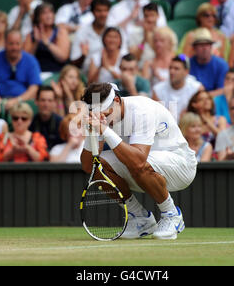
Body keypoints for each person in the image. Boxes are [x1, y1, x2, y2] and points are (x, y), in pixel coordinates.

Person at [80, 83, 197, 240]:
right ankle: (140, 219)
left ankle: (171, 215)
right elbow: (88, 166)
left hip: (181, 166)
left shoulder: (142, 110)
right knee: (98, 167)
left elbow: (138, 161)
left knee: (137, 163)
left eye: (106, 114)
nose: (104, 119)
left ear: (116, 100)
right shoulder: (102, 116)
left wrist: (105, 130)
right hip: (143, 167)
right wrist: (92, 133)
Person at [0, 29, 42, 110]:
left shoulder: (31, 61)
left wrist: (17, 101)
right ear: (5, 44)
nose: (14, 47)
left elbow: (34, 88)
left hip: (23, 102)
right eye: (11, 44)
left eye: (17, 44)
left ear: (22, 44)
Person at [23, 2, 70, 76]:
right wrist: (36, 42)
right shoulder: (30, 35)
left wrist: (47, 43)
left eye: (50, 12)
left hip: (57, 73)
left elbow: (63, 57)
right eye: (44, 13)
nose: (48, 16)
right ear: (37, 17)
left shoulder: (61, 32)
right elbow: (25, 60)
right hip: (36, 74)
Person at [70, 0, 113, 73]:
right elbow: (74, 64)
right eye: (99, 11)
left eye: (105, 10)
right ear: (92, 12)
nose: (102, 14)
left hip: (112, 75)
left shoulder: (115, 32)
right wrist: (83, 56)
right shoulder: (82, 32)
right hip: (86, 76)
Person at [152, 56, 203, 121]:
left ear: (186, 72)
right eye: (170, 68)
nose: (172, 71)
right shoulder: (158, 90)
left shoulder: (197, 89)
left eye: (176, 69)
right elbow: (158, 118)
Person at [188, 28, 229, 96]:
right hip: (191, 100)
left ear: (211, 47)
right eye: (201, 45)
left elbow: (223, 90)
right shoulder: (188, 64)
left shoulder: (222, 65)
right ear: (194, 48)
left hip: (214, 101)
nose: (205, 48)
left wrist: (204, 97)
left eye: (207, 44)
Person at [29, 86, 63, 151]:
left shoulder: (61, 123)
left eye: (50, 100)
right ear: (36, 101)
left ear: (55, 103)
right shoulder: (30, 122)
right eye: (43, 100)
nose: (46, 104)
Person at [128, 3, 159, 68]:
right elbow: (135, 58)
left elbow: (164, 56)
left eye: (152, 15)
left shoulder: (165, 34)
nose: (149, 19)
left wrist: (150, 39)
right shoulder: (134, 35)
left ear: (158, 16)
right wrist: (144, 41)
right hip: (140, 69)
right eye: (146, 16)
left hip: (158, 68)